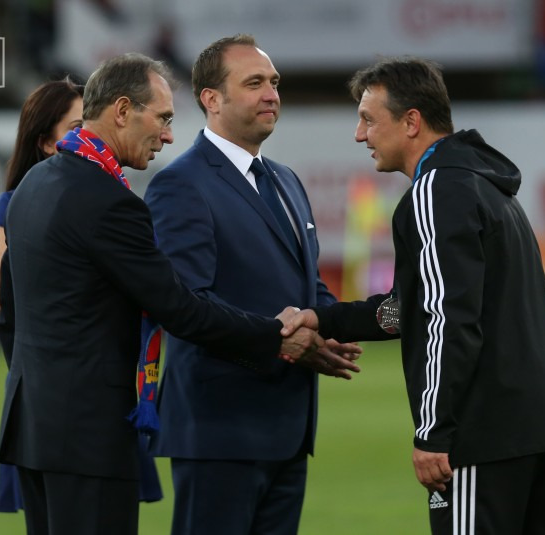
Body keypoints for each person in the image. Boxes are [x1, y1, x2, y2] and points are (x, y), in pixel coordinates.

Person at [0, 53, 352, 535]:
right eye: (163, 118)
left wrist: (42, 387)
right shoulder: (108, 201)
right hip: (89, 433)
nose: (167, 135)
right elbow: (180, 307)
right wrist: (276, 336)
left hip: (35, 426)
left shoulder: (33, 184)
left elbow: (10, 315)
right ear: (123, 110)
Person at [281, 57, 545, 534]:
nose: (359, 135)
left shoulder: (436, 189)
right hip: (541, 431)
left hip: (483, 437)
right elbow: (410, 310)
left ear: (411, 121)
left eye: (369, 119)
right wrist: (326, 319)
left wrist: (433, 431)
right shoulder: (486, 185)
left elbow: (446, 317)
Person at [144, 34, 355, 535]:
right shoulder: (180, 184)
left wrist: (327, 325)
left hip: (289, 428)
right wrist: (280, 341)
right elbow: (187, 304)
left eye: (275, 82)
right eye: (254, 83)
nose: (271, 94)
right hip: (219, 429)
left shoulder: (285, 180)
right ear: (211, 99)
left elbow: (307, 287)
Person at [0, 78, 84, 513]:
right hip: (47, 399)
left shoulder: (101, 202)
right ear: (45, 142)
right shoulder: (10, 208)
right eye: (76, 128)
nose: (88, 138)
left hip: (99, 397)